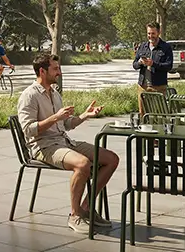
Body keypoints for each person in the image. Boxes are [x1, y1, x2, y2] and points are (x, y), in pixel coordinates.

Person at [17, 53, 118, 233]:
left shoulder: (55, 93)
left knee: (111, 159)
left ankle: (85, 208)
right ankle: (74, 215)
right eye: (55, 69)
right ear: (42, 71)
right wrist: (55, 117)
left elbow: (66, 124)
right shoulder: (29, 95)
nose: (59, 73)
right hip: (43, 146)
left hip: (64, 141)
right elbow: (28, 129)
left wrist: (84, 115)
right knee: (83, 164)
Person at [132, 22, 172, 114]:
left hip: (159, 87)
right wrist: (140, 62)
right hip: (143, 87)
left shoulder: (166, 47)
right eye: (148, 33)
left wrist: (153, 64)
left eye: (153, 33)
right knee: (143, 115)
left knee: (158, 115)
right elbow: (134, 65)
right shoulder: (142, 46)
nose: (150, 36)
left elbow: (169, 66)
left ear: (158, 32)